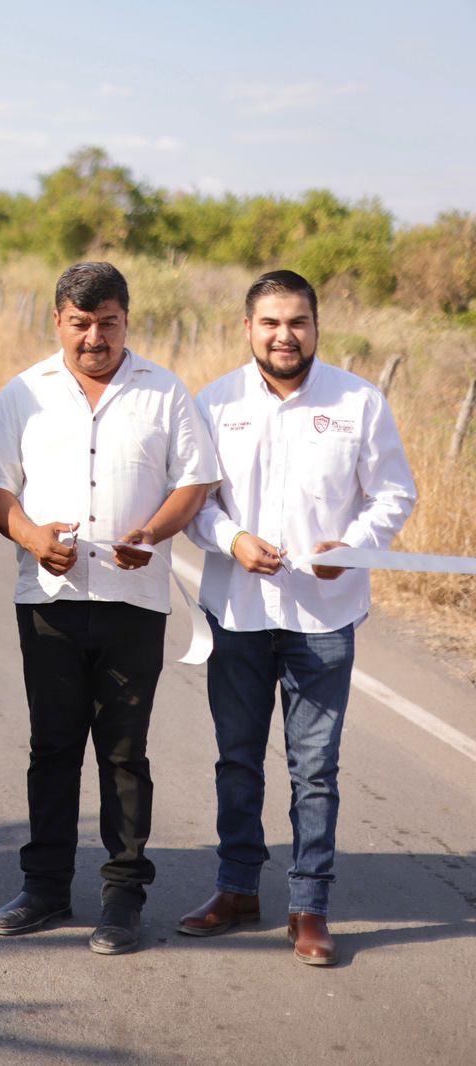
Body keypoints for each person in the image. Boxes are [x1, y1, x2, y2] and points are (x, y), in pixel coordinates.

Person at [179, 270, 415, 965]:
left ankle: (308, 905)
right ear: (248, 328)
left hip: (324, 616)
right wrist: (231, 540)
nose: (286, 335)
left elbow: (395, 491)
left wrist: (358, 546)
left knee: (315, 769)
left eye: (299, 322)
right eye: (271, 322)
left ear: (317, 325)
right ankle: (236, 889)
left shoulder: (359, 402)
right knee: (237, 760)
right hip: (237, 612)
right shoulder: (214, 404)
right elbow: (196, 502)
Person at [0, 261, 218, 955]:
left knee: (123, 752)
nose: (94, 337)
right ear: (57, 320)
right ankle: (46, 889)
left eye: (107, 323)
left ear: (126, 320)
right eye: (80, 323)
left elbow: (195, 480)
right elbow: (0, 489)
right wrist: (31, 538)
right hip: (49, 600)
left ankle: (122, 898)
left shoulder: (164, 391)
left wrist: (154, 532)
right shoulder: (24, 393)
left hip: (134, 601)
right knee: (52, 747)